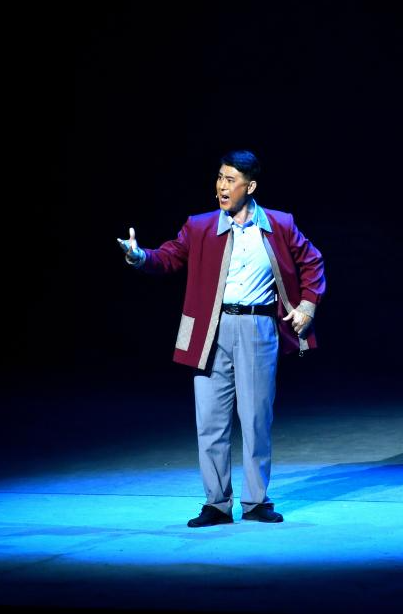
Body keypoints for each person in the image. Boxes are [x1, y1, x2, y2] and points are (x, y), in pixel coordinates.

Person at [117, 150, 326, 527]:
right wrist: (140, 257)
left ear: (251, 186)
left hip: (258, 327)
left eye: (231, 180)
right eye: (219, 178)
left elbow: (312, 261)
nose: (222, 187)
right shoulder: (199, 226)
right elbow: (169, 256)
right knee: (210, 421)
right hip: (208, 330)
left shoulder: (279, 224)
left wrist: (307, 307)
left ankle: (256, 501)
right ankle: (216, 503)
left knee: (256, 418)